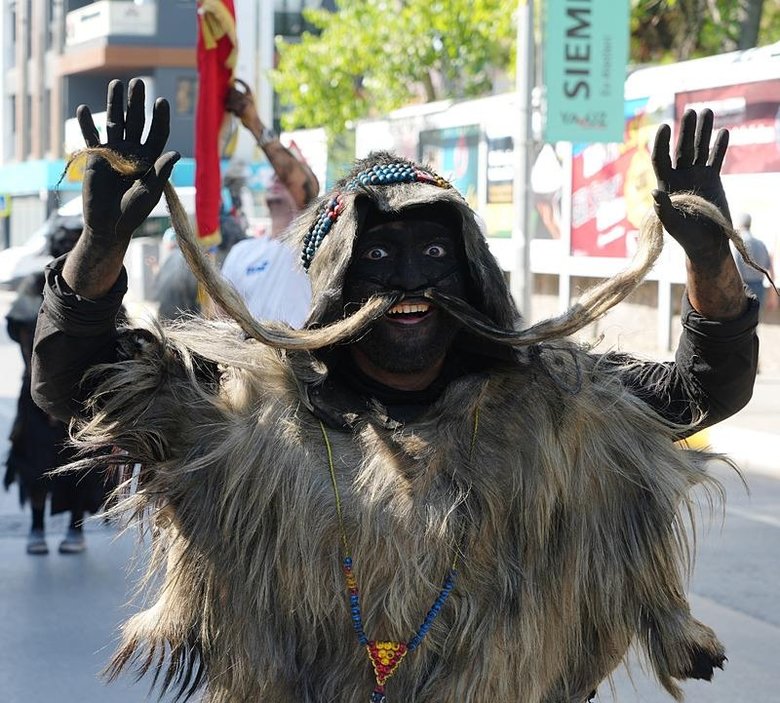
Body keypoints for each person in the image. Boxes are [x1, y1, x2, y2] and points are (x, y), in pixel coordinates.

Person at [31, 79, 758, 702]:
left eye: (435, 253)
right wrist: (97, 250)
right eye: (378, 254)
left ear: (472, 274)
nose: (410, 281)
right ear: (337, 282)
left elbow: (702, 391)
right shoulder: (247, 415)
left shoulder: (555, 409)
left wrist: (707, 263)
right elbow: (74, 382)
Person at [3, 219, 109, 554]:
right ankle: (36, 528)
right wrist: (44, 387)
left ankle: (75, 529)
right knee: (35, 462)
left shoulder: (98, 285)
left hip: (83, 392)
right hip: (36, 389)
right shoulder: (36, 284)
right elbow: (23, 334)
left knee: (80, 461)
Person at [220, 80, 316, 325]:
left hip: (298, 362)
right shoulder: (242, 253)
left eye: (282, 173)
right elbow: (218, 321)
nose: (276, 176)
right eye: (272, 172)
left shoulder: (312, 246)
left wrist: (252, 121)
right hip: (246, 362)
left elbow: (298, 182)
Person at [732, 212, 772, 308]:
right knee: (756, 318)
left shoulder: (740, 243)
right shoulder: (761, 244)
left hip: (744, 287)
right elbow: (768, 266)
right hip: (759, 286)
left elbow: (736, 266)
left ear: (740, 224)